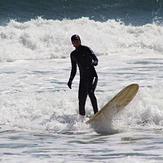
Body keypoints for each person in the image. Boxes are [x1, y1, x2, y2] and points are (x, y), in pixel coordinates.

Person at [67, 34, 99, 116]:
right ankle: (82, 119)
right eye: (74, 42)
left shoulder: (86, 49)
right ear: (72, 43)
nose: (76, 43)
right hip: (83, 79)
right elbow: (74, 69)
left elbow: (95, 58)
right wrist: (70, 80)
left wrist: (94, 62)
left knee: (90, 91)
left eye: (77, 41)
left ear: (80, 41)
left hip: (92, 76)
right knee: (81, 100)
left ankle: (97, 113)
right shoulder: (73, 54)